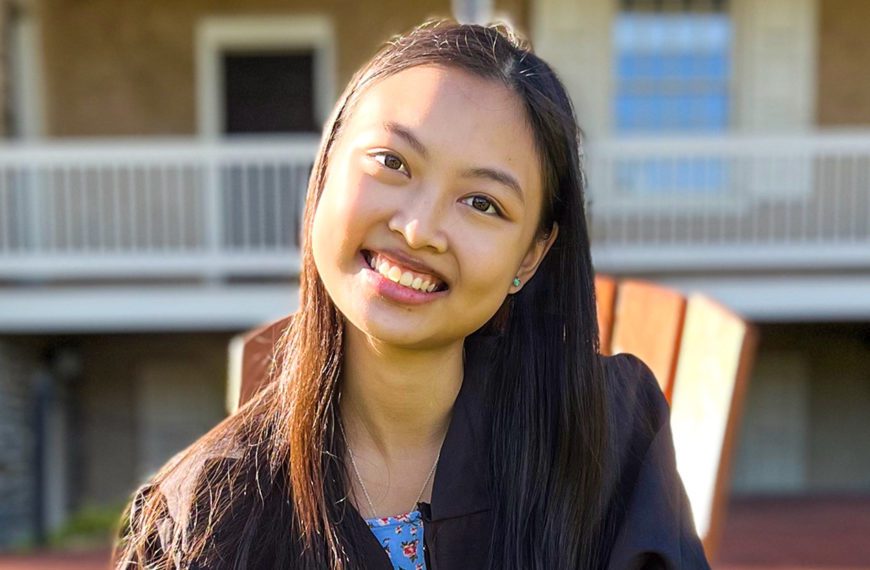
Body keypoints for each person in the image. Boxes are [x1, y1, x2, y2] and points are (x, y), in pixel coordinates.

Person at [114, 19, 711, 570]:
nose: (419, 229)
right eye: (391, 162)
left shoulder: (609, 445)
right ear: (326, 167)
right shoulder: (206, 516)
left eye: (482, 203)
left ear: (530, 255)